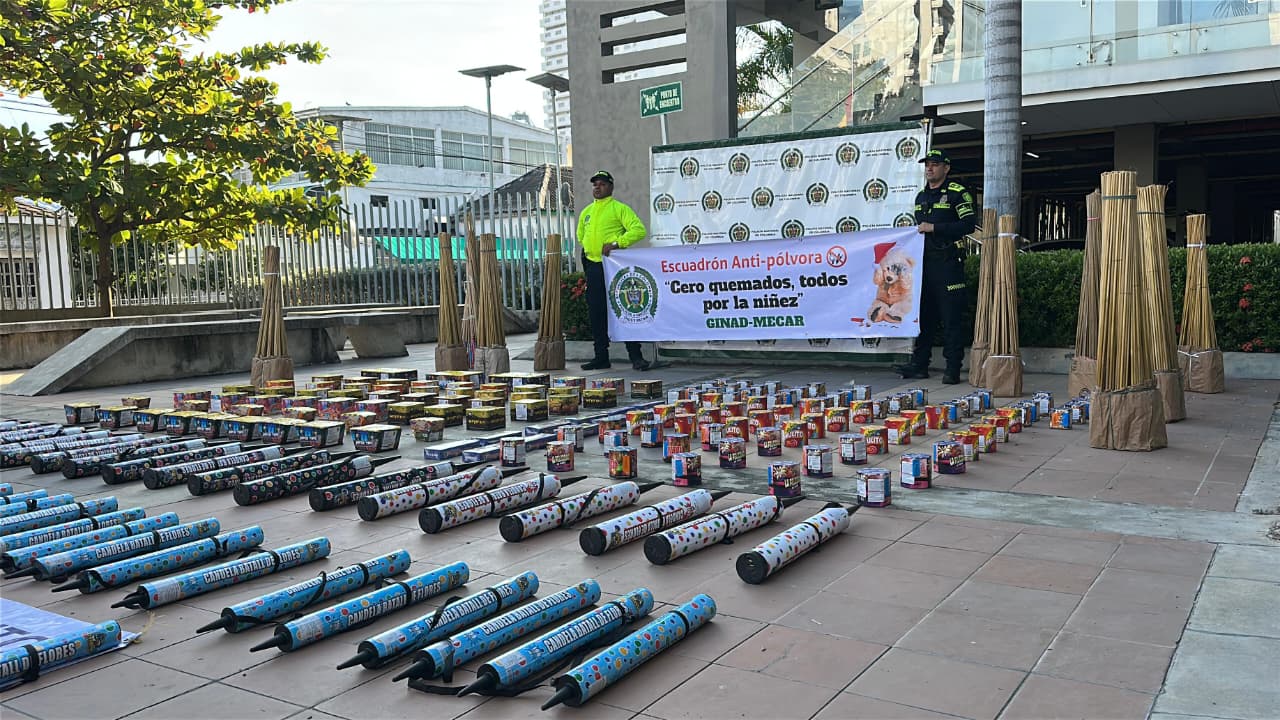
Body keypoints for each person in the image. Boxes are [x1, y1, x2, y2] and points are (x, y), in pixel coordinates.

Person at [900, 148, 977, 384]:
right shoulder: (921, 197)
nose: (929, 168)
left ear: (946, 168)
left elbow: (968, 225)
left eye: (935, 164)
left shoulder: (957, 193)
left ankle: (953, 368)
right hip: (924, 266)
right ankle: (920, 365)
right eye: (927, 165)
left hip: (948, 264)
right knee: (924, 318)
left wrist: (936, 228)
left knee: (951, 318)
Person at [577, 170, 650, 371]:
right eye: (595, 184)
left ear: (610, 187)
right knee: (596, 312)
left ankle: (636, 356)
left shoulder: (619, 209)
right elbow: (580, 235)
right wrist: (589, 248)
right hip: (593, 266)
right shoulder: (586, 212)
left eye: (601, 184)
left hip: (614, 266)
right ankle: (601, 356)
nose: (597, 187)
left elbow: (638, 230)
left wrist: (618, 243)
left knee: (624, 309)